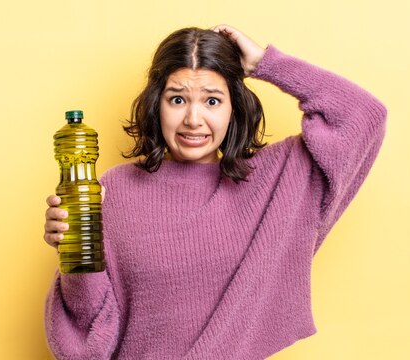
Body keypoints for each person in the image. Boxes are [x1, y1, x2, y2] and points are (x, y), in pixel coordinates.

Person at [42, 25, 387, 359]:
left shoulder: (273, 182)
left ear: (233, 107)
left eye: (212, 100)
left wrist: (267, 64)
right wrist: (75, 259)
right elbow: (88, 337)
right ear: (155, 105)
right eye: (177, 99)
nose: (193, 119)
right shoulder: (114, 190)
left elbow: (364, 115)